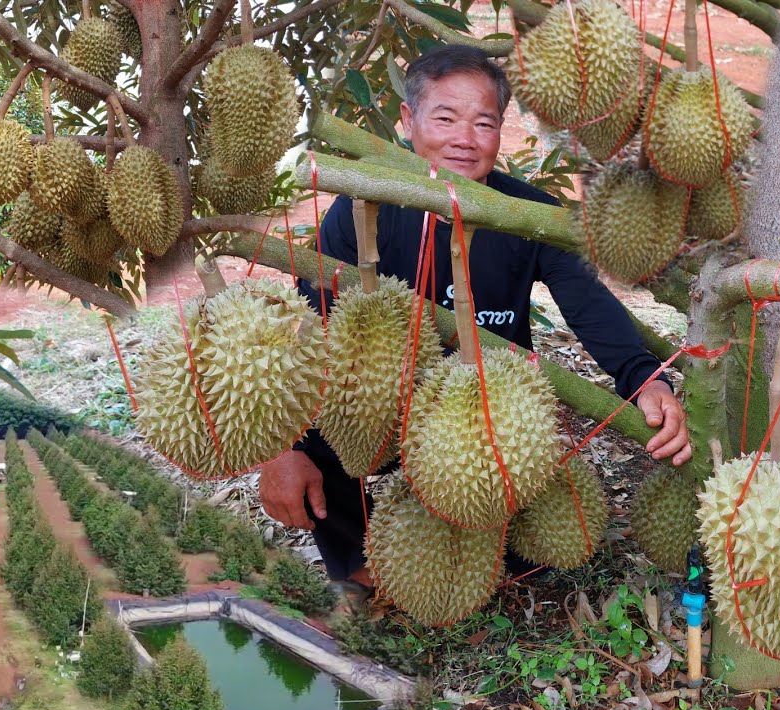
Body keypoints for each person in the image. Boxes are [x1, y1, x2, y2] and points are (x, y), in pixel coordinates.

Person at [258, 45, 691, 592]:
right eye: (445, 118)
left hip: (484, 426)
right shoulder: (360, 207)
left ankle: (488, 552)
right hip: (384, 411)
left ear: (499, 133)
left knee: (528, 529)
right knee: (329, 434)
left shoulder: (526, 215)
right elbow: (306, 327)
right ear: (407, 122)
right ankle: (362, 567)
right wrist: (282, 449)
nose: (465, 138)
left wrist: (643, 377)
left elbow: (588, 303)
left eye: (484, 123)